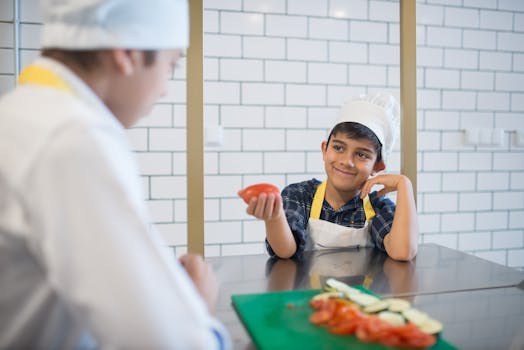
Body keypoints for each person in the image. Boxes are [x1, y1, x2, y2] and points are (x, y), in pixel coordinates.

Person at [0, 0, 230, 349]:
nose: (166, 87)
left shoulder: (20, 112)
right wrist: (197, 307)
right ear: (127, 54)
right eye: (171, 65)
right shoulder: (73, 137)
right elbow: (168, 343)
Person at [242, 93, 419, 262]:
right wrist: (274, 217)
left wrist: (404, 185)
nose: (346, 161)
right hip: (309, 293)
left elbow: (402, 252)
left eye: (362, 155)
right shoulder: (300, 195)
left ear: (378, 166)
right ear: (324, 150)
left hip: (358, 293)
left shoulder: (377, 207)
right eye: (339, 148)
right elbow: (286, 251)